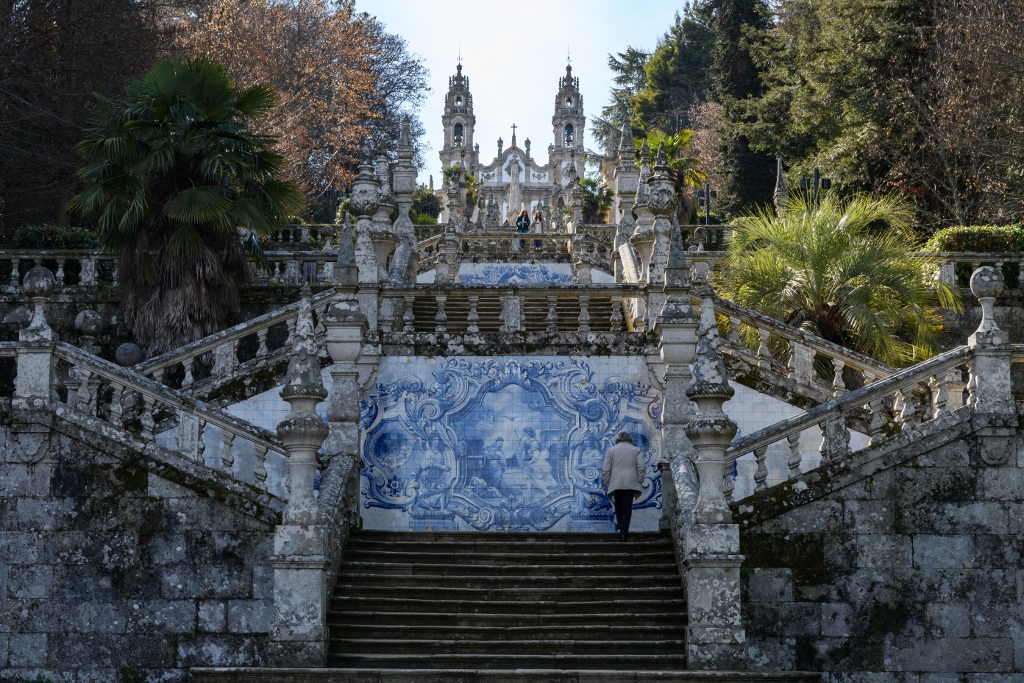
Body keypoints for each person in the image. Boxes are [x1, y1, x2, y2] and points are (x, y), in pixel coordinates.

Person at [602, 431, 645, 542]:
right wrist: (640, 480)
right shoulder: (636, 450)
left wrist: (608, 483)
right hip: (630, 482)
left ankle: (621, 526)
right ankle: (623, 533)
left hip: (616, 483)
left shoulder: (611, 450)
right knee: (627, 507)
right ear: (629, 439)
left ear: (618, 439)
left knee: (618, 506)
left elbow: (605, 469)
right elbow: (642, 467)